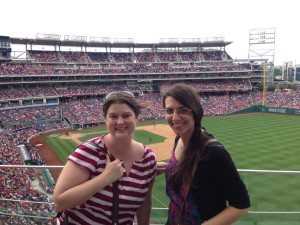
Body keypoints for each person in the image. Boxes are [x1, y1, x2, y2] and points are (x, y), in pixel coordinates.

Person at [53, 91, 157, 225]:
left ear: (136, 118)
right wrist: (105, 178)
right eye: (113, 116)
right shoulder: (90, 151)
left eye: (126, 115)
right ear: (105, 120)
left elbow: (144, 203)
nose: (120, 121)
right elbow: (59, 203)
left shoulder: (148, 158)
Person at [162, 83, 250, 225]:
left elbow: (241, 205)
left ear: (195, 112)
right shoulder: (179, 138)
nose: (175, 117)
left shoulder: (213, 152)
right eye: (169, 111)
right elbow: (182, 166)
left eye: (183, 110)